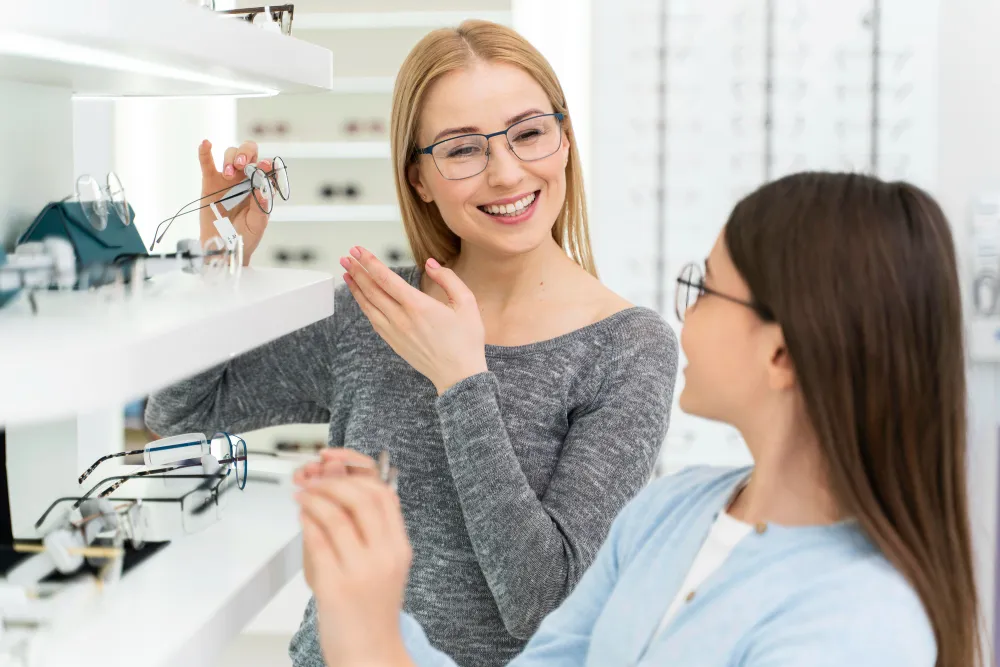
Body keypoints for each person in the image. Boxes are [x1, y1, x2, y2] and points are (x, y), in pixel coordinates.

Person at [144, 20, 678, 667]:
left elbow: (542, 603)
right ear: (419, 178)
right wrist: (219, 268)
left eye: (530, 133)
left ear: (564, 139)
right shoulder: (375, 312)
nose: (507, 173)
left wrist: (461, 381)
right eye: (462, 149)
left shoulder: (628, 348)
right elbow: (179, 415)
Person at [293, 171, 983, 667]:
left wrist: (373, 644)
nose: (682, 313)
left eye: (706, 289)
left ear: (780, 354)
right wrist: (367, 594)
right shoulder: (673, 510)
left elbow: (529, 593)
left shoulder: (861, 625)